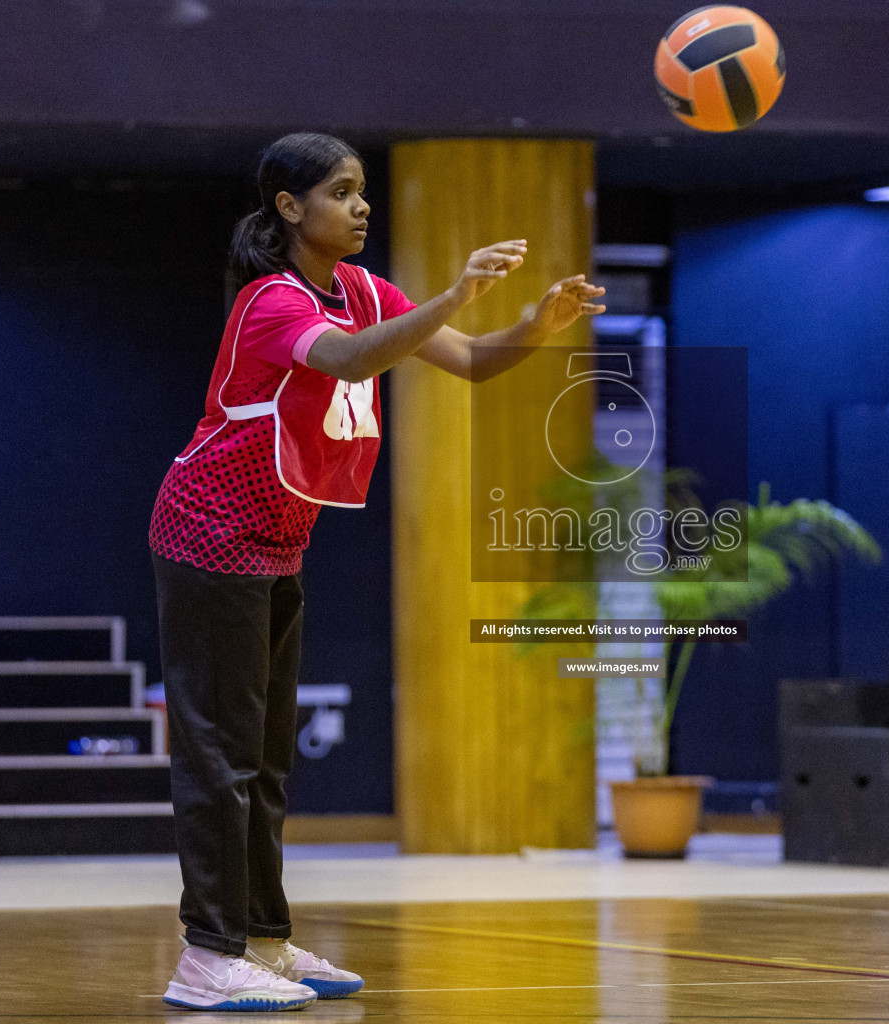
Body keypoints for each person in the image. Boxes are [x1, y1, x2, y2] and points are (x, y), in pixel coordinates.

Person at [148, 132, 604, 1012]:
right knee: (220, 755)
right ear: (291, 208)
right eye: (343, 192)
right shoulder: (270, 303)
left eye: (364, 192)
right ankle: (208, 954)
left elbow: (469, 361)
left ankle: (265, 941)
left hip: (276, 541)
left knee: (269, 759)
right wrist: (455, 290)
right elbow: (355, 358)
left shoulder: (361, 289)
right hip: (208, 534)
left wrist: (533, 325)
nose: (362, 207)